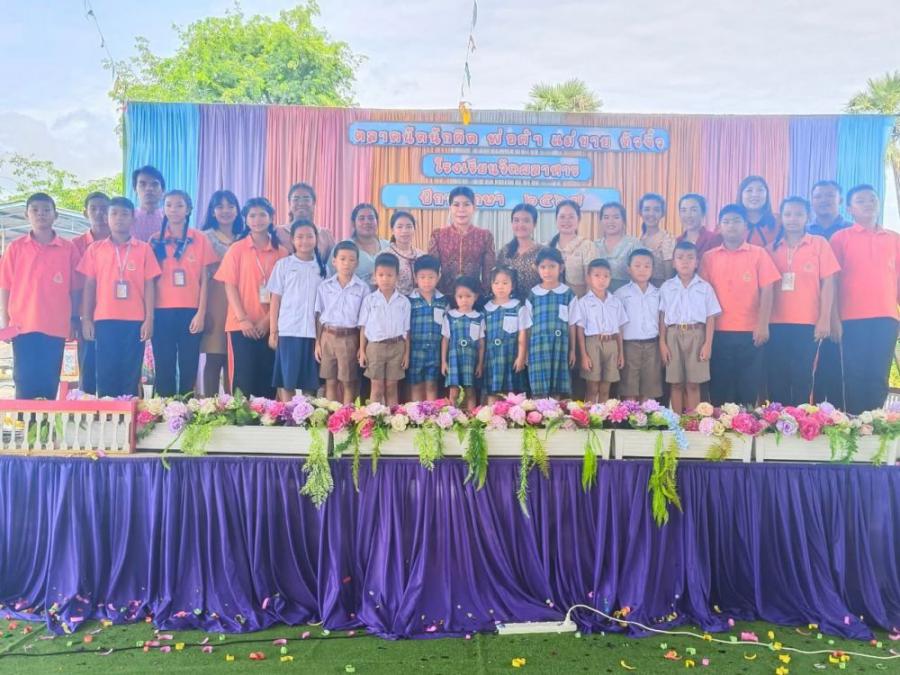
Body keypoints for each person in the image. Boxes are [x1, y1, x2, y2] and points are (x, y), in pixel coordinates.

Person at [78, 197, 161, 397]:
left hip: (135, 320)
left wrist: (149, 318)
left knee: (131, 372)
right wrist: (86, 318)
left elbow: (149, 285)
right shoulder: (95, 249)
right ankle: (108, 412)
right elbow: (89, 285)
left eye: (124, 214)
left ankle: (129, 412)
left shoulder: (144, 249)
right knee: (105, 370)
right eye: (114, 213)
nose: (119, 218)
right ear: (107, 218)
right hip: (104, 319)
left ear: (133, 219)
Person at [0, 193, 80, 399]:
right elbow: (5, 287)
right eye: (35, 210)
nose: (41, 214)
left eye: (46, 210)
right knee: (23, 380)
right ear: (26, 215)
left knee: (49, 381)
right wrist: (4, 323)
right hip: (22, 327)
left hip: (55, 327)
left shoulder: (68, 249)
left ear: (56, 215)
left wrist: (74, 319)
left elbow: (75, 289)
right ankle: (24, 421)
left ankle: (46, 420)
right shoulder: (15, 248)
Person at [700, 204, 781, 406]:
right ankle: (721, 425)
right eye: (726, 222)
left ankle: (747, 422)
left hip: (750, 332)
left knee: (748, 388)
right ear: (719, 227)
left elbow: (768, 290)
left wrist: (763, 325)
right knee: (720, 388)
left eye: (736, 221)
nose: (731, 226)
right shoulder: (709, 257)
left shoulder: (759, 254)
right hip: (718, 331)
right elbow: (702, 296)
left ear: (745, 226)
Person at [830, 185, 900, 414]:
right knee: (854, 374)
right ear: (850, 209)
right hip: (852, 318)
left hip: (887, 318)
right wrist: (834, 318)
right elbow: (832, 283)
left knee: (879, 374)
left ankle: (875, 423)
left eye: (872, 199)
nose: (868, 204)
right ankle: (855, 423)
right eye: (861, 201)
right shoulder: (840, 238)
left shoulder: (894, 239)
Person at [765, 197, 839, 405]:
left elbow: (829, 283)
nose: (793, 219)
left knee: (803, 375)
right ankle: (777, 419)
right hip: (775, 322)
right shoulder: (770, 249)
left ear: (808, 217)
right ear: (781, 217)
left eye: (799, 214)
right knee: (777, 375)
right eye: (788, 214)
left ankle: (801, 419)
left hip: (807, 322)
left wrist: (824, 318)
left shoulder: (819, 244)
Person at [215, 197, 287, 398]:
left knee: (267, 382)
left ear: (271, 218)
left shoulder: (282, 252)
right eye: (252, 215)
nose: (257, 220)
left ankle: (267, 416)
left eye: (262, 215)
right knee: (243, 382)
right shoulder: (236, 249)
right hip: (240, 326)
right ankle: (241, 416)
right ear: (245, 219)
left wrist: (267, 321)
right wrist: (243, 319)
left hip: (271, 326)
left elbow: (285, 292)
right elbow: (230, 285)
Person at [149, 190, 217, 396]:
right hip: (161, 311)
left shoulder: (200, 239)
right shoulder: (155, 240)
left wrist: (201, 313)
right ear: (163, 209)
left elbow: (205, 280)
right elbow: (149, 281)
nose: (174, 209)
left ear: (188, 209)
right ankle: (163, 407)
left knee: (189, 362)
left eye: (179, 205)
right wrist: (149, 315)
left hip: (191, 311)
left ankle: (187, 406)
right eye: (169, 205)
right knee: (164, 363)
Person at [268, 220, 327, 401]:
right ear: (292, 240)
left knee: (311, 383)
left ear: (316, 239)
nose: (305, 241)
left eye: (309, 236)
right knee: (287, 381)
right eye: (300, 237)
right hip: (288, 330)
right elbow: (275, 300)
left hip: (313, 333)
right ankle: (288, 414)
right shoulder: (283, 265)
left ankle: (307, 414)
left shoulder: (323, 268)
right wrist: (273, 331)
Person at [659, 241, 721, 414]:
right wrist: (662, 343)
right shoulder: (667, 287)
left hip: (697, 335)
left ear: (696, 262)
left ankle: (692, 422)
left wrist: (708, 344)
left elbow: (711, 317)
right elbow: (662, 316)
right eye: (680, 257)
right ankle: (677, 421)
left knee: (693, 383)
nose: (685, 261)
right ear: (673, 262)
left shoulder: (705, 287)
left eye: (690, 257)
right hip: (673, 335)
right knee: (676, 383)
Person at [807, 180, 850, 407]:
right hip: (810, 309)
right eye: (818, 196)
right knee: (811, 370)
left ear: (840, 200)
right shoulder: (804, 232)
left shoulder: (850, 231)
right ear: (812, 201)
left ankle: (839, 420)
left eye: (829, 195)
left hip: (846, 308)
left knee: (840, 370)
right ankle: (811, 420)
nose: (824, 200)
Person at [200, 190, 243, 395]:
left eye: (230, 206)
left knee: (234, 358)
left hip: (240, 301)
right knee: (214, 356)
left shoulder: (244, 237)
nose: (225, 211)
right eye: (220, 206)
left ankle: (232, 406)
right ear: (212, 211)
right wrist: (202, 311)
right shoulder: (204, 237)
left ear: (237, 210)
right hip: (214, 301)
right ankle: (208, 406)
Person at [315, 241, 368, 404]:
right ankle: (331, 415)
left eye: (351, 259)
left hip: (349, 338)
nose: (346, 263)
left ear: (357, 263)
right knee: (330, 381)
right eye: (342, 259)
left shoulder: (363, 288)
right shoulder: (325, 286)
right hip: (327, 337)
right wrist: (317, 343)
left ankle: (346, 415)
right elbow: (319, 316)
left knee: (348, 382)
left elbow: (364, 322)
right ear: (334, 261)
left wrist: (361, 347)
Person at [358, 253, 410, 405]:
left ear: (397, 276)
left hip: (397, 347)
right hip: (375, 348)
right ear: (375, 276)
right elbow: (363, 327)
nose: (385, 279)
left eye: (389, 275)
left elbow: (407, 331)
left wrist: (406, 354)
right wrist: (362, 351)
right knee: (377, 387)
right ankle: (375, 416)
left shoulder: (403, 302)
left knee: (391, 387)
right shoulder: (369, 300)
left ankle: (393, 417)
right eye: (381, 275)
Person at [525, 247, 577, 398]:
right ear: (537, 269)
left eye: (552, 266)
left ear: (561, 268)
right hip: (538, 347)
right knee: (539, 390)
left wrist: (572, 350)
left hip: (560, 347)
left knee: (557, 389)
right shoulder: (533, 294)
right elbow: (527, 326)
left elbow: (572, 324)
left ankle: (556, 412)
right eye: (543, 267)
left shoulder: (568, 294)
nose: (547, 271)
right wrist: (526, 351)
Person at [73, 191, 111, 395]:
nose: (99, 213)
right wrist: (76, 317)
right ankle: (87, 408)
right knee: (88, 365)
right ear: (85, 213)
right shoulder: (75, 245)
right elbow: (72, 284)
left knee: (114, 366)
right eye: (93, 208)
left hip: (116, 314)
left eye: (104, 208)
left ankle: (116, 408)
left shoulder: (122, 242)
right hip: (86, 315)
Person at [573, 259, 627, 403]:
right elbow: (580, 330)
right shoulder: (583, 302)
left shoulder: (615, 302)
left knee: (605, 388)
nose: (601, 280)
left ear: (610, 278)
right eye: (597, 275)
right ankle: (590, 415)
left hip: (611, 344)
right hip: (593, 343)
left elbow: (619, 329)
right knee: (592, 387)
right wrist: (584, 355)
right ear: (588, 278)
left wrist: (621, 353)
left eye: (606, 276)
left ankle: (602, 415)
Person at [428, 186, 496, 295]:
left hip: (474, 297)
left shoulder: (485, 236)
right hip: (444, 296)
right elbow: (431, 270)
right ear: (450, 208)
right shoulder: (438, 235)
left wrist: (485, 296)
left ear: (474, 207)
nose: (461, 209)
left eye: (466, 204)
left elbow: (488, 273)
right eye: (456, 205)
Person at [615, 249, 662, 401]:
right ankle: (630, 415)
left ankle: (647, 415)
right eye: (637, 265)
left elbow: (662, 321)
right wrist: (620, 351)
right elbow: (618, 325)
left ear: (653, 269)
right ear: (629, 269)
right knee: (629, 388)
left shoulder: (658, 293)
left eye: (647, 266)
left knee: (649, 389)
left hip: (652, 345)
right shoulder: (620, 294)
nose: (642, 270)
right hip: (629, 346)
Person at [482, 266, 530, 402]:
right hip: (492, 359)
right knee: (492, 394)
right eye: (496, 283)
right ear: (491, 285)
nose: (500, 287)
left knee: (513, 397)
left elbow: (523, 334)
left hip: (511, 358)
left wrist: (521, 357)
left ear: (512, 285)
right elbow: (482, 338)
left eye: (505, 283)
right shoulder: (486, 309)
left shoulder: (519, 307)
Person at [407, 255, 448, 402]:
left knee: (432, 385)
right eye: (422, 277)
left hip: (435, 351)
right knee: (416, 385)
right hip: (415, 350)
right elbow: (406, 330)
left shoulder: (443, 301)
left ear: (438, 276)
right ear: (415, 277)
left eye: (431, 277)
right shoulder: (409, 301)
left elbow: (447, 330)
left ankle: (431, 414)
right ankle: (416, 414)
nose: (426, 281)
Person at [441, 275, 485, 411]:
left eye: (468, 296)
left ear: (475, 297)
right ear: (455, 297)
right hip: (454, 360)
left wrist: (480, 364)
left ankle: (471, 418)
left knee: (470, 391)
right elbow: (445, 340)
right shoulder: (450, 316)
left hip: (471, 361)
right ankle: (453, 417)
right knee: (454, 392)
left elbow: (481, 344)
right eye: (460, 297)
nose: (464, 300)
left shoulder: (479, 317)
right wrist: (444, 362)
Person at [330, 203, 391, 287]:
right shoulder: (342, 248)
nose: (367, 222)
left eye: (371, 218)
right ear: (353, 223)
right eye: (361, 218)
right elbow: (330, 278)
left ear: (377, 222)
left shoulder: (389, 247)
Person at [549, 199, 597, 297]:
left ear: (578, 219)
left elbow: (591, 282)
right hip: (552, 302)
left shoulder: (587, 246)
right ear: (556, 219)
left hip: (579, 302)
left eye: (571, 217)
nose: (566, 221)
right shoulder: (547, 246)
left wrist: (585, 304)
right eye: (562, 217)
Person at [277, 182, 335, 259]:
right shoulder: (278, 232)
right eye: (296, 199)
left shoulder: (325, 235)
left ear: (313, 203)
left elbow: (334, 263)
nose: (301, 203)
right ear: (289, 203)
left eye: (306, 199)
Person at [497, 203, 542, 295]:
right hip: (509, 303)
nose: (520, 224)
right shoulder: (504, 252)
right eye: (516, 220)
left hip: (536, 302)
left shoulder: (542, 252)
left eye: (526, 220)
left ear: (534, 224)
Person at [595, 202, 639, 292]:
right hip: (599, 296)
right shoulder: (594, 245)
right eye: (606, 217)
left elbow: (641, 276)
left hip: (627, 296)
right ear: (601, 221)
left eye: (616, 217)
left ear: (623, 220)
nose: (611, 221)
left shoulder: (634, 244)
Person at [638, 193, 676, 285]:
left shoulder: (667, 239)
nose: (651, 214)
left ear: (662, 213)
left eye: (656, 210)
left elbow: (669, 276)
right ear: (640, 212)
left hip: (660, 289)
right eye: (647, 209)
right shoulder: (639, 239)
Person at [388, 211, 424, 295]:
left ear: (414, 229)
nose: (404, 231)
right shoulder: (385, 256)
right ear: (392, 230)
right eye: (399, 227)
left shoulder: (422, 255)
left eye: (409, 227)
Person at [676, 193, 721, 258]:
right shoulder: (676, 241)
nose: (688, 215)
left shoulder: (714, 239)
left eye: (693, 210)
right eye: (683, 210)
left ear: (703, 213)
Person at [739, 175, 779, 249]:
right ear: (741, 195)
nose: (755, 195)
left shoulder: (779, 223)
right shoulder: (729, 224)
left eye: (760, 190)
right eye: (749, 190)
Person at [131, 165, 165, 242]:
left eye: (154, 184)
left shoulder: (171, 218)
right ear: (135, 189)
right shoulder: (128, 218)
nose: (149, 188)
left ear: (163, 190)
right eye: (143, 184)